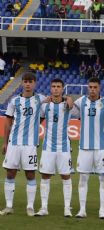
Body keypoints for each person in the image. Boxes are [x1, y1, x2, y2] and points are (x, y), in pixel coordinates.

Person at [0, 72, 46, 216]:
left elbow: (55, 101)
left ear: (35, 84)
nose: (27, 84)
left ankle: (30, 207)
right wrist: (5, 142)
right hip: (14, 143)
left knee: (30, 173)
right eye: (25, 81)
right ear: (22, 83)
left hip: (30, 144)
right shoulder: (14, 101)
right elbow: (7, 123)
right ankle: (8, 206)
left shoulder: (41, 99)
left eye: (30, 81)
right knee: (10, 172)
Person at [73, 77, 104, 219]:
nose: (92, 89)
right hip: (84, 147)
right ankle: (82, 210)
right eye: (90, 87)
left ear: (99, 88)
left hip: (102, 148)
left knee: (103, 179)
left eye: (95, 87)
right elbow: (69, 106)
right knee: (83, 178)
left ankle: (102, 210)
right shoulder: (80, 101)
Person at [35, 79, 74, 217]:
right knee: (45, 175)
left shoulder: (68, 103)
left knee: (66, 176)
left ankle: (67, 208)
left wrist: (68, 98)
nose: (56, 89)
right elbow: (37, 120)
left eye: (58, 87)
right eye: (53, 86)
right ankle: (44, 208)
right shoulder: (45, 106)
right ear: (50, 88)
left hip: (64, 147)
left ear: (62, 88)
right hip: (48, 147)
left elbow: (71, 103)